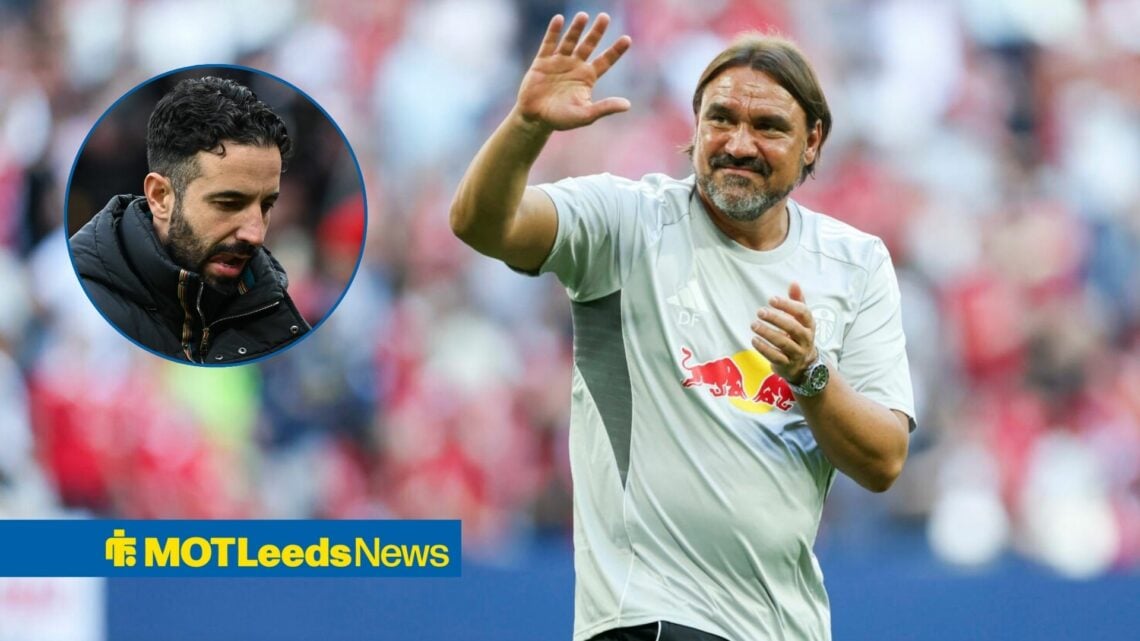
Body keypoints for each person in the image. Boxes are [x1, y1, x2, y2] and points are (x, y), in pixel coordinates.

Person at [450, 12, 915, 641]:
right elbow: (481, 224)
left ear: (813, 143)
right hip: (650, 616)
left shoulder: (856, 263)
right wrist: (527, 127)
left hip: (787, 626)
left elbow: (884, 460)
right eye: (721, 118)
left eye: (769, 127)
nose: (739, 144)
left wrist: (810, 374)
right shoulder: (625, 222)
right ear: (694, 124)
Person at [70, 75, 310, 364]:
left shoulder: (274, 310)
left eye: (266, 205)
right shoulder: (84, 301)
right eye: (228, 204)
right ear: (160, 196)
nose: (256, 234)